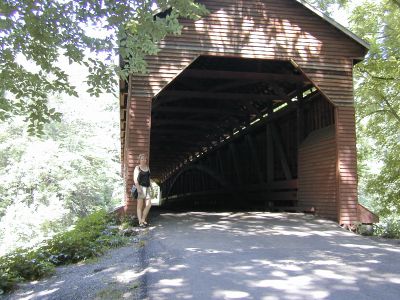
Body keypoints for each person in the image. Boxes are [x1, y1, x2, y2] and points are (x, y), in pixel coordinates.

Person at [133, 153, 152, 227]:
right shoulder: (137, 168)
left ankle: (143, 219)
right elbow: (135, 179)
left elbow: (149, 178)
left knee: (149, 204)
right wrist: (138, 188)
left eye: (145, 159)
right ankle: (140, 222)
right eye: (142, 159)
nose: (144, 160)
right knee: (139, 206)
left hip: (147, 188)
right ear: (139, 160)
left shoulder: (148, 168)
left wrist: (151, 187)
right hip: (140, 187)